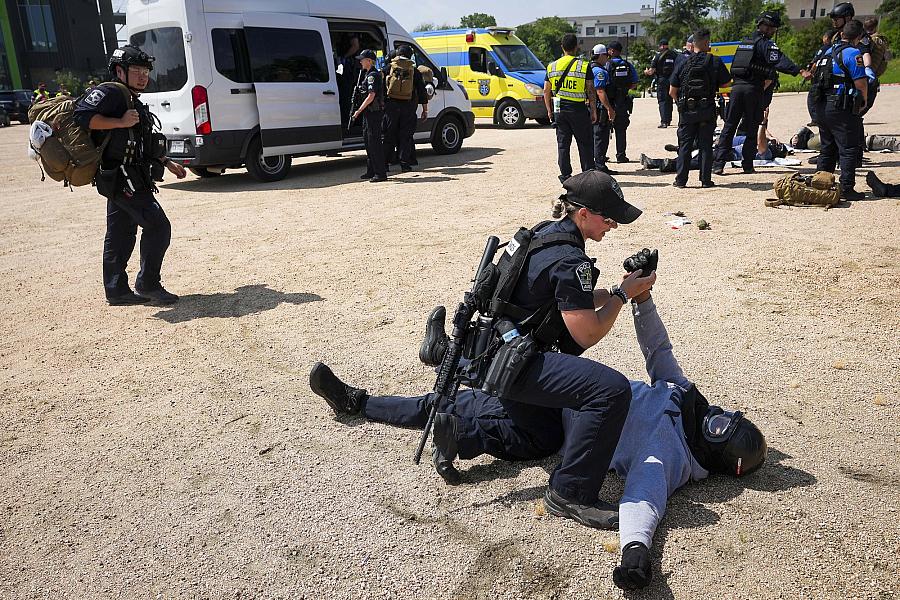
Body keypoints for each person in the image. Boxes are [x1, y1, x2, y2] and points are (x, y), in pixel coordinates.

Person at [310, 284, 767, 592]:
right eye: (728, 415)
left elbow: (643, 502)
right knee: (499, 383)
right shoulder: (683, 395)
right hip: (568, 393)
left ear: (719, 455)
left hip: (560, 427)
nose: (719, 416)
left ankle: (366, 403)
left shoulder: (669, 456)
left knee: (461, 406)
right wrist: (643, 298)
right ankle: (455, 395)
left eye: (724, 429)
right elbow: (658, 350)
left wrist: (636, 552)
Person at [314, 170, 655, 530]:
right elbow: (586, 333)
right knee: (610, 391)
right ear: (582, 213)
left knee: (544, 435)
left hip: (494, 352)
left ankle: (373, 406)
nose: (614, 225)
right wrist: (622, 296)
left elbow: (565, 300)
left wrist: (618, 288)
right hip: (518, 363)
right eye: (609, 217)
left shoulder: (543, 234)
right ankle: (571, 493)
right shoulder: (571, 261)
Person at [73, 45, 186, 306]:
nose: (143, 76)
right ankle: (147, 284)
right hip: (123, 176)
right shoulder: (111, 91)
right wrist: (120, 122)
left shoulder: (130, 97)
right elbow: (82, 116)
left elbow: (140, 141)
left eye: (145, 70)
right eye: (136, 70)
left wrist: (167, 162)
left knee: (120, 233)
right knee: (158, 226)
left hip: (124, 175)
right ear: (119, 70)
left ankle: (117, 290)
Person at [712, 12, 806, 176]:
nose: (772, 32)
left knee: (729, 127)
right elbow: (779, 60)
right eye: (773, 28)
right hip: (752, 89)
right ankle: (747, 164)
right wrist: (798, 70)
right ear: (769, 27)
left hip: (736, 89)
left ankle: (718, 164)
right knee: (751, 127)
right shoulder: (765, 44)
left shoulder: (745, 42)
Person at [669, 28, 731, 188]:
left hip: (687, 111)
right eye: (708, 42)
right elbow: (726, 84)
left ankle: (681, 180)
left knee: (685, 146)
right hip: (706, 110)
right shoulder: (715, 61)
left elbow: (672, 91)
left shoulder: (682, 62)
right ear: (704, 43)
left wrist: (681, 105)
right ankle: (705, 180)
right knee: (705, 146)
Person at [815, 20, 868, 200]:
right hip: (841, 106)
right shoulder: (853, 53)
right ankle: (847, 188)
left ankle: (821, 185)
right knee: (848, 148)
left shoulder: (827, 51)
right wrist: (862, 103)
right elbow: (861, 83)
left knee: (827, 147)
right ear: (858, 37)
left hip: (821, 106)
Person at [543, 34, 598, 184]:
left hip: (559, 109)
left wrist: (549, 110)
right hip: (578, 109)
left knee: (563, 144)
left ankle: (565, 176)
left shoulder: (552, 66)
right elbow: (591, 89)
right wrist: (593, 110)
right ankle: (587, 175)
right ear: (576, 47)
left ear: (562, 47)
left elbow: (546, 91)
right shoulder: (584, 65)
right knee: (585, 143)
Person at [382, 45, 428, 173]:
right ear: (410, 56)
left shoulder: (388, 68)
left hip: (391, 107)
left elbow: (381, 87)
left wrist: (382, 104)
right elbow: (422, 91)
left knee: (388, 135)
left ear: (397, 54)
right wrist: (425, 109)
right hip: (408, 107)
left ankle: (384, 164)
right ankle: (405, 164)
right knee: (405, 136)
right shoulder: (414, 71)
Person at [351, 49, 387, 183]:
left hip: (374, 112)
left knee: (374, 142)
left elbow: (371, 96)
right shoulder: (367, 74)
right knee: (368, 141)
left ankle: (380, 173)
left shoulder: (373, 75)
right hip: (369, 113)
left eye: (362, 59)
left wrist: (358, 111)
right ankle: (371, 170)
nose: (360, 61)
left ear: (370, 61)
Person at [605, 42, 639, 163]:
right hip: (622, 101)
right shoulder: (628, 65)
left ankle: (601, 156)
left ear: (612, 51)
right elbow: (635, 83)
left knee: (604, 130)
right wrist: (623, 88)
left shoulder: (607, 65)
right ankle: (621, 155)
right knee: (621, 130)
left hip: (609, 101)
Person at [590, 44, 617, 175]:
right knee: (601, 137)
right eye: (606, 55)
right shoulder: (599, 71)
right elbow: (600, 91)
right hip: (600, 109)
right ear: (600, 55)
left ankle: (597, 163)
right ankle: (600, 166)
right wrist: (609, 109)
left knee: (596, 137)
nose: (607, 57)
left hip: (592, 108)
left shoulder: (589, 68)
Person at [644, 39, 677, 128]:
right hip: (672, 80)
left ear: (661, 46)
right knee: (670, 100)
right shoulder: (674, 55)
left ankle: (664, 122)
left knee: (662, 101)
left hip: (662, 80)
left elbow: (652, 71)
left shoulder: (657, 56)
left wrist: (646, 72)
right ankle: (669, 120)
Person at [805, 30, 835, 127]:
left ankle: (816, 119)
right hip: (829, 76)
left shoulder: (823, 49)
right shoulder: (835, 48)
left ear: (826, 38)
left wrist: (810, 72)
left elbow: (815, 62)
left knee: (812, 98)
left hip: (819, 76)